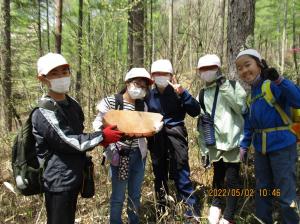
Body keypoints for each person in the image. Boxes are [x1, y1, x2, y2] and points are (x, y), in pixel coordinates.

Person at [32, 53, 123, 224]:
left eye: (65, 71)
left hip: (74, 174)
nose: (62, 76)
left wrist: (102, 134)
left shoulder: (72, 104)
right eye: (55, 73)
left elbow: (79, 133)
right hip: (58, 179)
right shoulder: (43, 111)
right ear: (42, 78)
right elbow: (67, 140)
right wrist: (102, 137)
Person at [236, 49, 300, 224]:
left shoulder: (272, 85)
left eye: (247, 65)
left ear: (259, 64)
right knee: (263, 191)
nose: (244, 71)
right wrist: (244, 145)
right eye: (239, 68)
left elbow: (297, 100)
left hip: (283, 147)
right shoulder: (252, 95)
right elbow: (250, 124)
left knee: (286, 194)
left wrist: (279, 80)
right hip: (261, 149)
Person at [93, 68, 153, 224]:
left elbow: (143, 127)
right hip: (119, 154)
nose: (140, 88)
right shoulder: (112, 101)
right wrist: (107, 140)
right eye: (137, 83)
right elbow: (97, 125)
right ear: (127, 83)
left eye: (144, 86)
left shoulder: (142, 106)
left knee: (135, 194)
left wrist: (151, 129)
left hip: (138, 155)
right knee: (118, 195)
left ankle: (134, 220)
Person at [146, 59, 200, 220]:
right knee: (159, 173)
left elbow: (195, 111)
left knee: (181, 171)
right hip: (156, 138)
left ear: (171, 75)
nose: (161, 77)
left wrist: (183, 93)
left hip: (177, 135)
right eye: (157, 74)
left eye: (165, 74)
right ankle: (162, 213)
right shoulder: (148, 95)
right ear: (152, 76)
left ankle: (191, 214)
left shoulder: (179, 92)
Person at [196, 54, 246, 224]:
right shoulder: (201, 94)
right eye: (203, 69)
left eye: (211, 68)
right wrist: (203, 149)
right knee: (217, 178)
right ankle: (216, 206)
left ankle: (229, 216)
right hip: (214, 146)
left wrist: (223, 85)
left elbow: (240, 108)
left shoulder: (232, 86)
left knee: (233, 181)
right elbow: (201, 124)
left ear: (218, 69)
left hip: (233, 144)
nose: (207, 72)